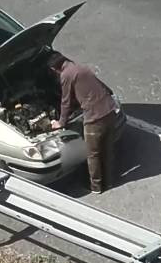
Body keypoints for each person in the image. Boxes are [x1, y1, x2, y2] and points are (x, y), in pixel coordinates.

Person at [47, 51, 118, 194]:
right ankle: (109, 182)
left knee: (93, 154)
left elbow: (66, 102)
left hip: (95, 118)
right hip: (109, 111)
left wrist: (60, 122)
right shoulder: (81, 67)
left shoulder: (66, 75)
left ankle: (96, 186)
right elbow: (99, 86)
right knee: (107, 149)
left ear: (55, 69)